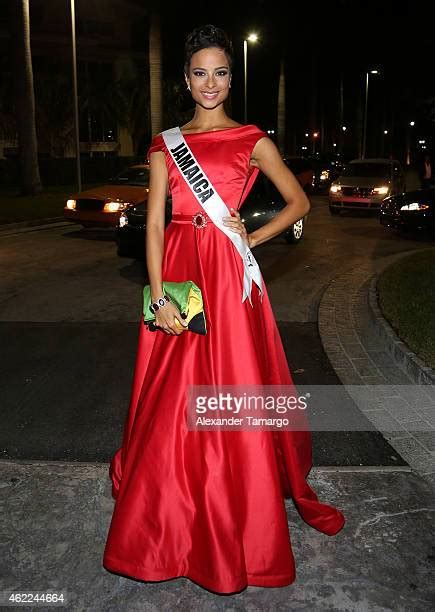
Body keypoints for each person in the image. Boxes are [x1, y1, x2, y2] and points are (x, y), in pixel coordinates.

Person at [103, 23, 345, 595]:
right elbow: (157, 223)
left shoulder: (252, 139)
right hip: (182, 275)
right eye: (199, 73)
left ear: (231, 79)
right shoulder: (166, 143)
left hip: (230, 276)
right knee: (170, 391)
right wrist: (158, 294)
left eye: (220, 72)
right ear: (185, 81)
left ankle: (236, 514)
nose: (210, 83)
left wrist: (251, 241)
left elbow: (299, 202)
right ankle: (162, 522)